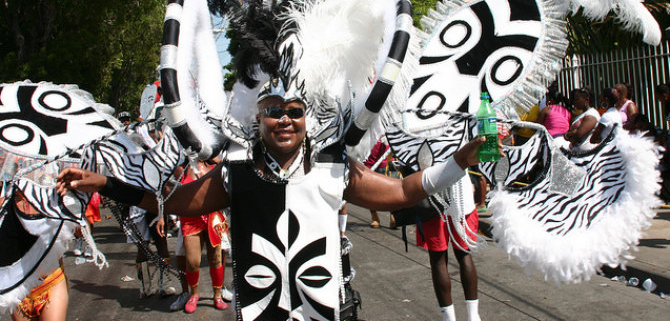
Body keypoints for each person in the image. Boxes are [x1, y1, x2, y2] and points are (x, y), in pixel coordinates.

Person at [56, 82, 488, 321]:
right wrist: (105, 183)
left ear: (307, 120)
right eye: (274, 111)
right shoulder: (234, 173)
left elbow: (404, 193)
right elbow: (170, 203)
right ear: (257, 119)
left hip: (325, 311)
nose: (285, 119)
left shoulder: (334, 167)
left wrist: (458, 162)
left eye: (295, 111)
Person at [417, 176, 481, 321]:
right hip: (461, 198)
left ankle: (449, 319)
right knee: (464, 255)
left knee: (438, 260)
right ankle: (473, 316)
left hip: (432, 200)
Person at [177, 160, 229, 314]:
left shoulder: (217, 166)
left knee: (216, 259)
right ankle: (194, 294)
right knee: (192, 261)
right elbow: (170, 192)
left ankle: (217, 296)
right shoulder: (181, 168)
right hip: (190, 221)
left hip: (213, 219)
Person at [364, 139, 396, 229]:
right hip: (369, 164)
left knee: (391, 193)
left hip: (387, 163)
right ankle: (375, 218)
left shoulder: (388, 125)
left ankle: (393, 217)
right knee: (370, 194)